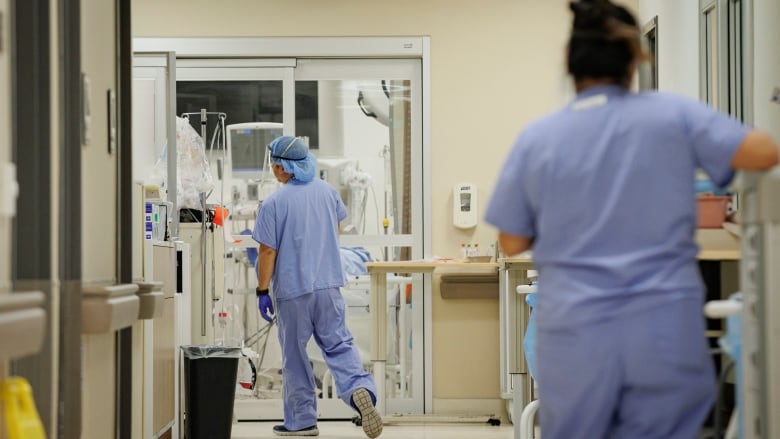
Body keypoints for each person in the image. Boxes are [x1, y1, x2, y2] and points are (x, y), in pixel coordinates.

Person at [484, 1, 779, 438]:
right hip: (660, 326)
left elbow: (510, 241)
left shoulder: (539, 138)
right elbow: (764, 152)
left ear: (570, 63)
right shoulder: (673, 115)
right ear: (637, 60)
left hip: (576, 332)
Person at [252, 135, 383, 438]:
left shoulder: (274, 203)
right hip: (328, 287)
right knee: (339, 344)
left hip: (293, 290)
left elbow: (267, 251)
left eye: (274, 163)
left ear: (284, 167)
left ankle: (301, 421)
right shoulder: (328, 192)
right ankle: (361, 389)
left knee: (295, 355)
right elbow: (335, 232)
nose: (273, 169)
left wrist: (261, 290)